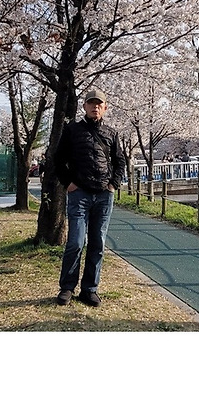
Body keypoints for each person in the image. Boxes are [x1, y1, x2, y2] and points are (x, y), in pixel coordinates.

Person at [54, 88, 126, 307]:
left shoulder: (111, 133)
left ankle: (90, 290)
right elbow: (58, 159)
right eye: (91, 103)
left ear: (105, 108)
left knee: (97, 243)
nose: (95, 107)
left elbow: (120, 161)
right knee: (76, 242)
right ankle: (67, 288)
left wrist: (113, 185)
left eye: (99, 104)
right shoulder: (72, 130)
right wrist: (69, 183)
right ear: (84, 106)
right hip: (80, 194)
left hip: (103, 195)